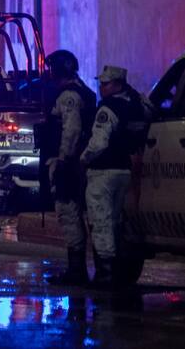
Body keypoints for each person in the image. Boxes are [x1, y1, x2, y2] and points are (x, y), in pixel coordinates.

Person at [79, 66, 150, 287]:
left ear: (118, 84)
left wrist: (83, 159)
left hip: (103, 171)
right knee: (115, 220)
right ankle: (117, 270)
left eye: (106, 84)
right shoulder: (137, 104)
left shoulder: (108, 108)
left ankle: (105, 273)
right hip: (125, 171)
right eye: (101, 83)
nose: (101, 88)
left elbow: (99, 143)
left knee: (101, 221)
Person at [43, 50, 97, 286]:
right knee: (74, 213)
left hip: (69, 163)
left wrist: (64, 160)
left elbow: (71, 130)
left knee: (68, 213)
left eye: (51, 68)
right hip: (76, 163)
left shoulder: (69, 96)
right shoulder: (80, 91)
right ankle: (79, 269)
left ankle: (77, 271)